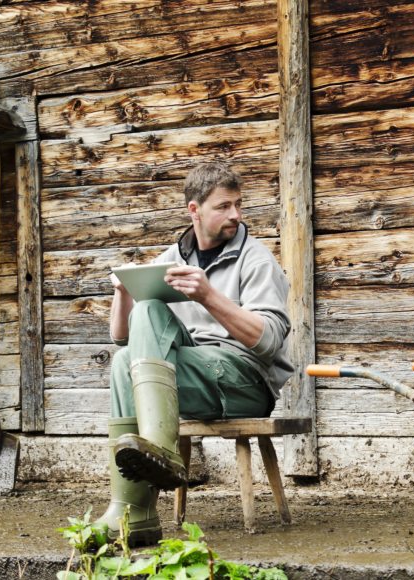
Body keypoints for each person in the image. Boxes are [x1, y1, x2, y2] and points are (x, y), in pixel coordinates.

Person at [95, 162, 294, 545]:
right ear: (194, 210)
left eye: (238, 204)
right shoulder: (171, 257)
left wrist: (208, 296)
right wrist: (123, 293)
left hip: (245, 381)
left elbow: (268, 342)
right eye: (223, 206)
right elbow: (123, 339)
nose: (234, 214)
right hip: (189, 378)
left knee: (140, 341)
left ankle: (159, 449)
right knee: (126, 355)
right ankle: (132, 513)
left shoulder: (256, 260)